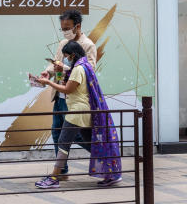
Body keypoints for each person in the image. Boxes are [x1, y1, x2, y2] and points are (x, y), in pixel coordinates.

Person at [30, 41, 122, 188]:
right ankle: (111, 173)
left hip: (77, 112)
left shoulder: (79, 69)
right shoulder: (82, 66)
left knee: (63, 142)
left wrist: (48, 82)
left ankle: (54, 177)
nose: (65, 59)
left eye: (66, 56)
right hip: (84, 112)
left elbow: (68, 89)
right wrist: (56, 73)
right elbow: (66, 82)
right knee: (90, 144)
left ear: (72, 55)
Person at [38, 10, 98, 178]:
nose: (65, 31)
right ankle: (62, 171)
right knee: (57, 132)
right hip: (59, 95)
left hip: (74, 96)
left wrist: (63, 70)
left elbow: (89, 70)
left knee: (77, 135)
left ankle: (105, 155)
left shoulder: (88, 45)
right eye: (62, 28)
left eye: (67, 27)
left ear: (77, 26)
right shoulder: (63, 42)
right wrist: (47, 73)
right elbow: (56, 62)